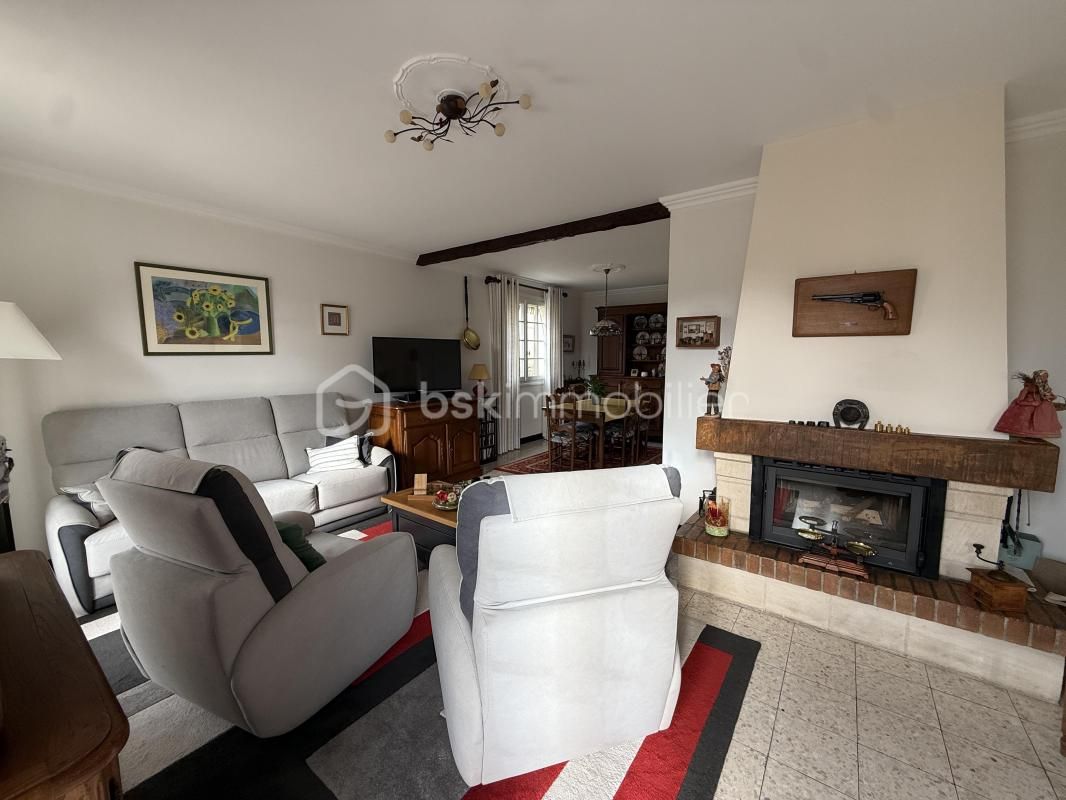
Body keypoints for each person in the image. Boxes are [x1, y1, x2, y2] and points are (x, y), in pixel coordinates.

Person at [995, 370, 1065, 438]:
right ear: (1037, 377)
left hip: (1041, 407)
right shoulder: (1029, 387)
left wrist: (1051, 397)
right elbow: (1019, 400)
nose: (1045, 378)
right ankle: (1028, 433)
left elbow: (1051, 396)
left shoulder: (1045, 387)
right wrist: (1032, 403)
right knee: (1026, 418)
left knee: (1046, 407)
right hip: (1027, 407)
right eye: (1043, 376)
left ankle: (1043, 431)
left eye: (1046, 377)